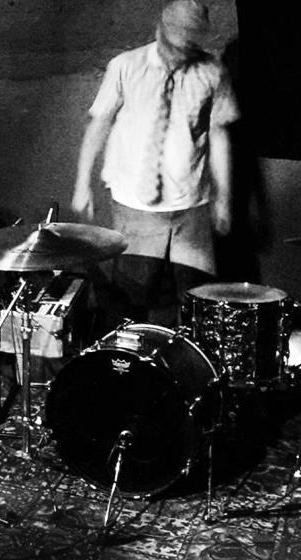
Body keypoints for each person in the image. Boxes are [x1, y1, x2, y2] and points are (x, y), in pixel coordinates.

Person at [71, 0, 239, 327]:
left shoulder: (213, 72)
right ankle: (129, 369)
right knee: (131, 296)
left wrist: (225, 199)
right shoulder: (125, 66)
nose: (181, 49)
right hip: (135, 205)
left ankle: (188, 370)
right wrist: (82, 184)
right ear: (161, 29)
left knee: (197, 297)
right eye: (176, 40)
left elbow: (219, 137)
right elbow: (99, 125)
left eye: (190, 43)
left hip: (191, 206)